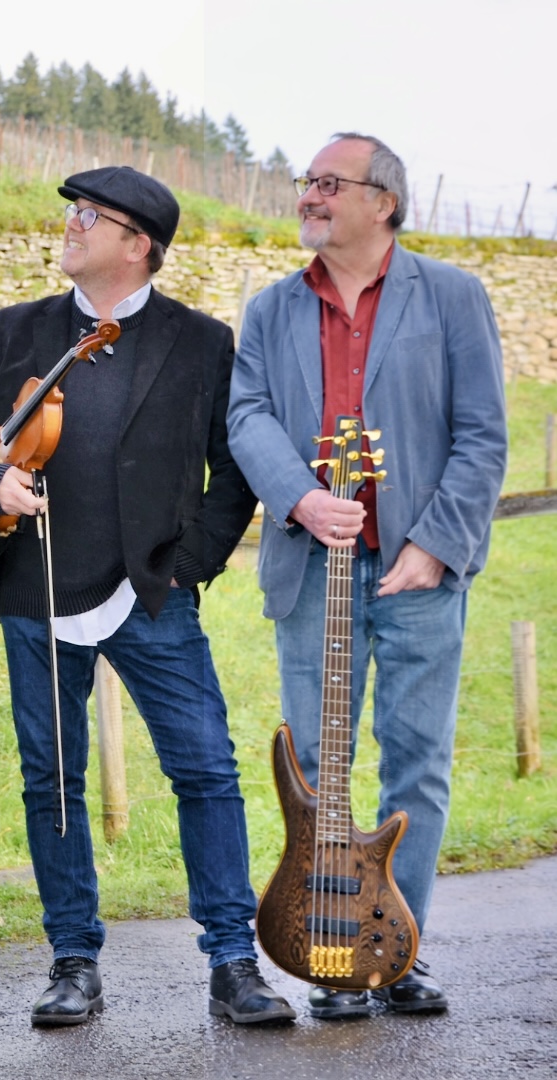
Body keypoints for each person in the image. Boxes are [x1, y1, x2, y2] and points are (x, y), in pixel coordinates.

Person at [0, 166, 293, 1027]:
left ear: (139, 245)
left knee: (204, 770)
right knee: (50, 779)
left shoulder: (200, 341)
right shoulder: (20, 329)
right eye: (72, 213)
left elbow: (232, 463)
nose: (71, 225)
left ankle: (233, 961)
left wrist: (188, 563)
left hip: (150, 592)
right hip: (37, 581)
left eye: (90, 216)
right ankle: (72, 960)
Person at [227, 132, 507, 1019]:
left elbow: (481, 434)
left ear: (380, 201)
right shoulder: (270, 308)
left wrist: (434, 543)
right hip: (314, 568)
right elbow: (247, 416)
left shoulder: (453, 296)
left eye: (326, 183)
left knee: (416, 761)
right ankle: (326, 949)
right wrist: (300, 499)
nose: (308, 195)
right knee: (317, 764)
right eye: (305, 182)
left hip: (419, 568)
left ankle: (396, 945)